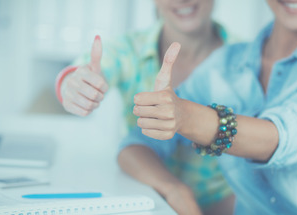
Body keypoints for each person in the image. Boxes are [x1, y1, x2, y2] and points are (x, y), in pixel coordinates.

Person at [129, 0, 297, 214]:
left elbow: (282, 137)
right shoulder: (222, 66)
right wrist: (174, 189)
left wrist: (185, 117)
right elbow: (135, 144)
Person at [55, 0, 237, 214]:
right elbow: (82, 71)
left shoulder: (247, 58)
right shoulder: (128, 49)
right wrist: (74, 84)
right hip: (145, 203)